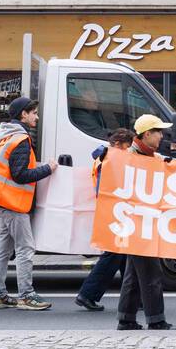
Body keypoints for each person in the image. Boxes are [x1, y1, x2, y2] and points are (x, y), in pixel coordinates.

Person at [0, 96, 57, 312]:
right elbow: (20, 175)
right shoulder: (21, 140)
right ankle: (26, 296)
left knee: (3, 249)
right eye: (33, 112)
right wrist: (48, 169)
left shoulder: (1, 134)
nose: (36, 116)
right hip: (13, 202)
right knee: (25, 248)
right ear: (23, 115)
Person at [117, 114, 176, 331]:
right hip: (139, 223)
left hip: (139, 222)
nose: (162, 136)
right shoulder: (131, 158)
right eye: (158, 132)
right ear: (146, 135)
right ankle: (156, 320)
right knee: (151, 273)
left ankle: (126, 319)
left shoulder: (146, 155)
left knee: (134, 275)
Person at [74, 127, 135, 312]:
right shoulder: (111, 159)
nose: (128, 151)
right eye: (126, 147)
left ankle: (134, 297)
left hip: (111, 211)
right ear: (117, 144)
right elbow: (109, 188)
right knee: (114, 256)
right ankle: (87, 294)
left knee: (124, 255)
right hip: (113, 212)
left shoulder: (105, 156)